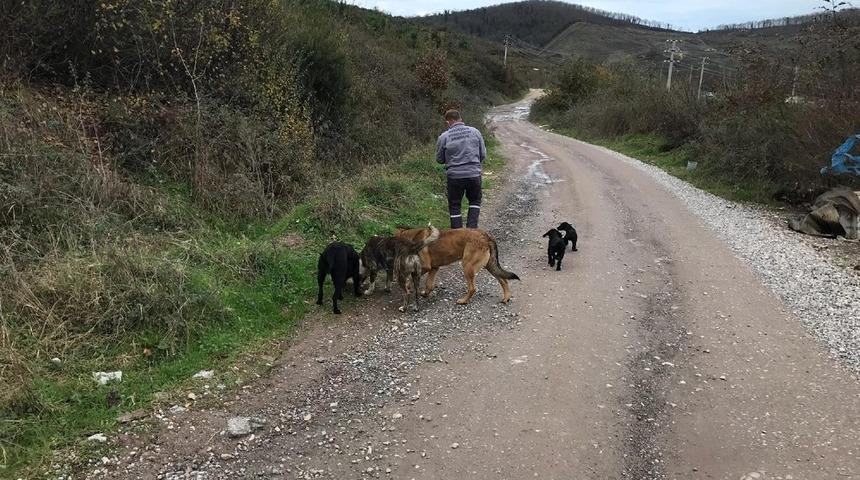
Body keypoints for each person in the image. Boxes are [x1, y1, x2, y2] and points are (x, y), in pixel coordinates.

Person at [435, 109, 486, 229]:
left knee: (454, 205)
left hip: (454, 177)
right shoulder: (475, 132)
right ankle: (471, 231)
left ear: (448, 122)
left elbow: (439, 159)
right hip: (474, 174)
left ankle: (457, 236)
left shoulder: (444, 137)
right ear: (460, 119)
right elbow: (482, 154)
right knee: (474, 201)